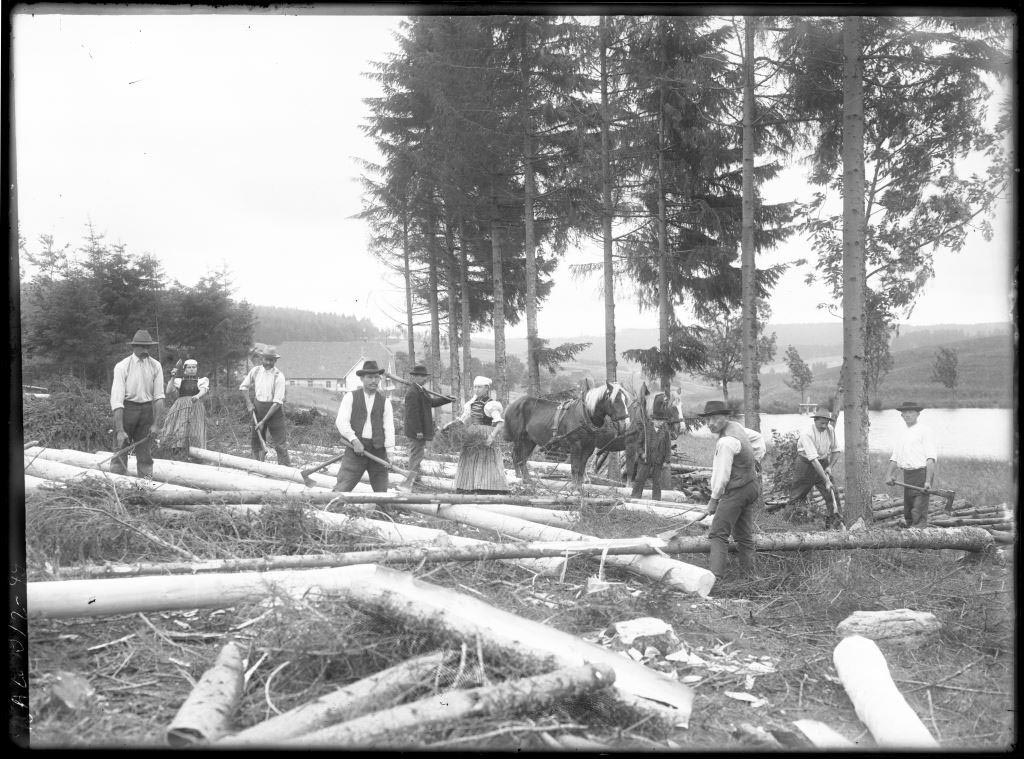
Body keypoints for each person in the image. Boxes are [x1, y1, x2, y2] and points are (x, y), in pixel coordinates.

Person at [699, 400, 760, 582]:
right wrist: (755, 460)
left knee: (718, 533)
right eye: (707, 419)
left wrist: (713, 500)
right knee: (744, 535)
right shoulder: (737, 428)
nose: (710, 423)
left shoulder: (726, 442)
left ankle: (715, 578)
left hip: (737, 490)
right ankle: (750, 576)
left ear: (725, 417)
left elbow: (722, 476)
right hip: (751, 486)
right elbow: (758, 438)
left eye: (714, 418)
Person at [109, 329, 166, 479]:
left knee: (145, 454)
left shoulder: (156, 366)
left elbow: (159, 397)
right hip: (127, 410)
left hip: (146, 412)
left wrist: (156, 424)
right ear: (134, 347)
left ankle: (145, 488)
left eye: (148, 347)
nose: (145, 350)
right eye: (142, 346)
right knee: (120, 452)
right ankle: (118, 487)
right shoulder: (122, 366)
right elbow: (117, 401)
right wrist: (120, 430)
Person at [335, 360, 395, 492]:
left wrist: (390, 453)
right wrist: (354, 440)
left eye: (376, 377)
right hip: (355, 450)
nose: (374, 381)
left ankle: (381, 506)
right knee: (342, 488)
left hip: (378, 452)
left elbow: (389, 428)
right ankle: (331, 505)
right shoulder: (350, 397)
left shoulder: (385, 402)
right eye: (370, 377)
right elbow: (341, 422)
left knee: (382, 493)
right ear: (362, 378)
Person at [446, 377, 509, 494]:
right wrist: (451, 425)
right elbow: (463, 419)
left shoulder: (490, 404)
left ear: (487, 388)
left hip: (485, 434)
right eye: (475, 387)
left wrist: (491, 436)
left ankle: (487, 487)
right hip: (472, 434)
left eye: (479, 387)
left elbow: (500, 423)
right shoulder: (471, 403)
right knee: (469, 458)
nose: (476, 389)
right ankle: (467, 486)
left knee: (485, 459)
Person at [399, 364, 455, 491]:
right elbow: (412, 415)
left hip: (420, 430)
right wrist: (418, 431)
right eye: (422, 376)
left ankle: (414, 479)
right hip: (416, 431)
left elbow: (432, 403)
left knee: (418, 455)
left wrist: (447, 399)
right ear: (415, 377)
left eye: (425, 376)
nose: (425, 379)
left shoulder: (422, 390)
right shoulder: (412, 393)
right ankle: (409, 482)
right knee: (415, 456)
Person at [787, 405, 843, 529]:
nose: (824, 426)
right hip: (805, 464)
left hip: (823, 462)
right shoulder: (807, 434)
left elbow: (836, 450)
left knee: (832, 493)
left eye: (826, 423)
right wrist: (826, 480)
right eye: (822, 423)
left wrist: (830, 467)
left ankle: (835, 524)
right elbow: (813, 460)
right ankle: (788, 524)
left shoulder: (830, 430)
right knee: (797, 496)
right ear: (815, 420)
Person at [884, 401, 937, 527]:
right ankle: (911, 532)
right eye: (905, 412)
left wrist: (928, 481)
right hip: (908, 475)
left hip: (921, 474)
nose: (907, 415)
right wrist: (889, 475)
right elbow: (895, 457)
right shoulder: (902, 433)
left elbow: (930, 458)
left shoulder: (925, 431)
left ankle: (919, 532)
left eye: (911, 412)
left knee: (918, 510)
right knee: (908, 510)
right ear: (901, 415)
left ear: (917, 414)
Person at [239, 346, 290, 466]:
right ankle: (258, 467)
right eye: (266, 359)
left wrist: (263, 421)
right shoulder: (255, 371)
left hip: (274, 411)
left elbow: (277, 402)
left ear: (275, 360)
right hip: (257, 409)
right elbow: (243, 387)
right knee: (256, 442)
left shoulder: (279, 376)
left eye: (271, 360)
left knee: (280, 444)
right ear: (262, 359)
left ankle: (285, 471)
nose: (268, 362)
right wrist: (249, 403)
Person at [160, 358, 209, 460]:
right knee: (179, 426)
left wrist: (197, 396)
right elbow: (168, 390)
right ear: (185, 369)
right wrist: (173, 377)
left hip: (195, 405)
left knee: (195, 428)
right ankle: (177, 451)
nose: (192, 369)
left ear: (196, 369)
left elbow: (203, 390)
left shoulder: (201, 380)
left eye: (194, 367)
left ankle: (195, 454)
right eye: (189, 367)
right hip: (180, 406)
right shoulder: (179, 381)